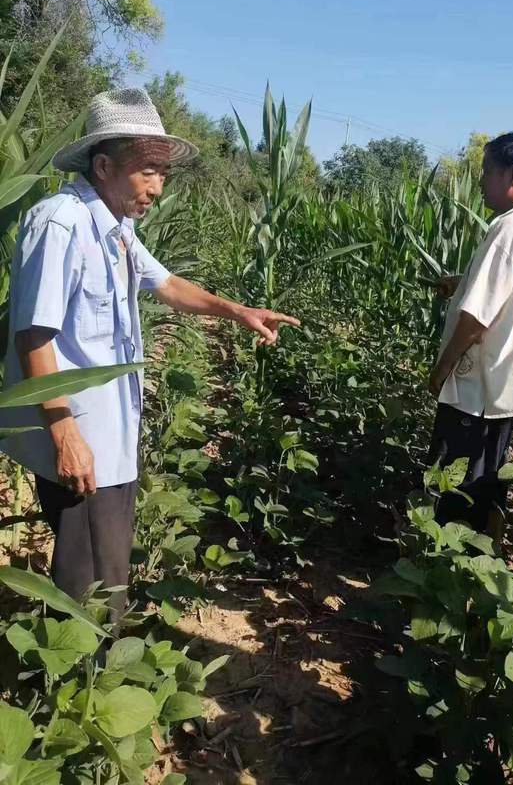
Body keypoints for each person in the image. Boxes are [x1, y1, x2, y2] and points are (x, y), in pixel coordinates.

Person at [0, 87, 299, 615]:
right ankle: (76, 680)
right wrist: (65, 434)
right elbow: (34, 336)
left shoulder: (117, 227)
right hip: (82, 439)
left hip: (112, 435)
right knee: (86, 580)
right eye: (148, 172)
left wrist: (238, 311)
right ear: (104, 165)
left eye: (164, 174)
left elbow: (165, 284)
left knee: (106, 567)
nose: (158, 187)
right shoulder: (60, 224)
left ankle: (95, 667)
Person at [427, 131, 513, 532]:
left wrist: (442, 369)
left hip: (475, 394)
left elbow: (478, 318)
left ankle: (439, 577)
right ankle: (475, 578)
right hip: (508, 390)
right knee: (486, 489)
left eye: (487, 171)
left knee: (452, 492)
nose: (481, 181)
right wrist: (463, 281)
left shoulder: (509, 227)